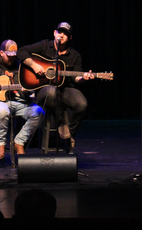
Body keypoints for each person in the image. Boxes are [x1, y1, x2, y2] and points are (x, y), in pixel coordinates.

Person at [16, 22, 94, 151]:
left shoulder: (74, 55)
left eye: (65, 34)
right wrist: (34, 65)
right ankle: (61, 122)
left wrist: (83, 78)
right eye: (59, 32)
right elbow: (21, 52)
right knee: (52, 91)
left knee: (82, 104)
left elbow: (76, 78)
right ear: (54, 33)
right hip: (44, 89)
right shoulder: (45, 45)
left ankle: (69, 134)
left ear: (70, 37)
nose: (61, 35)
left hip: (65, 88)